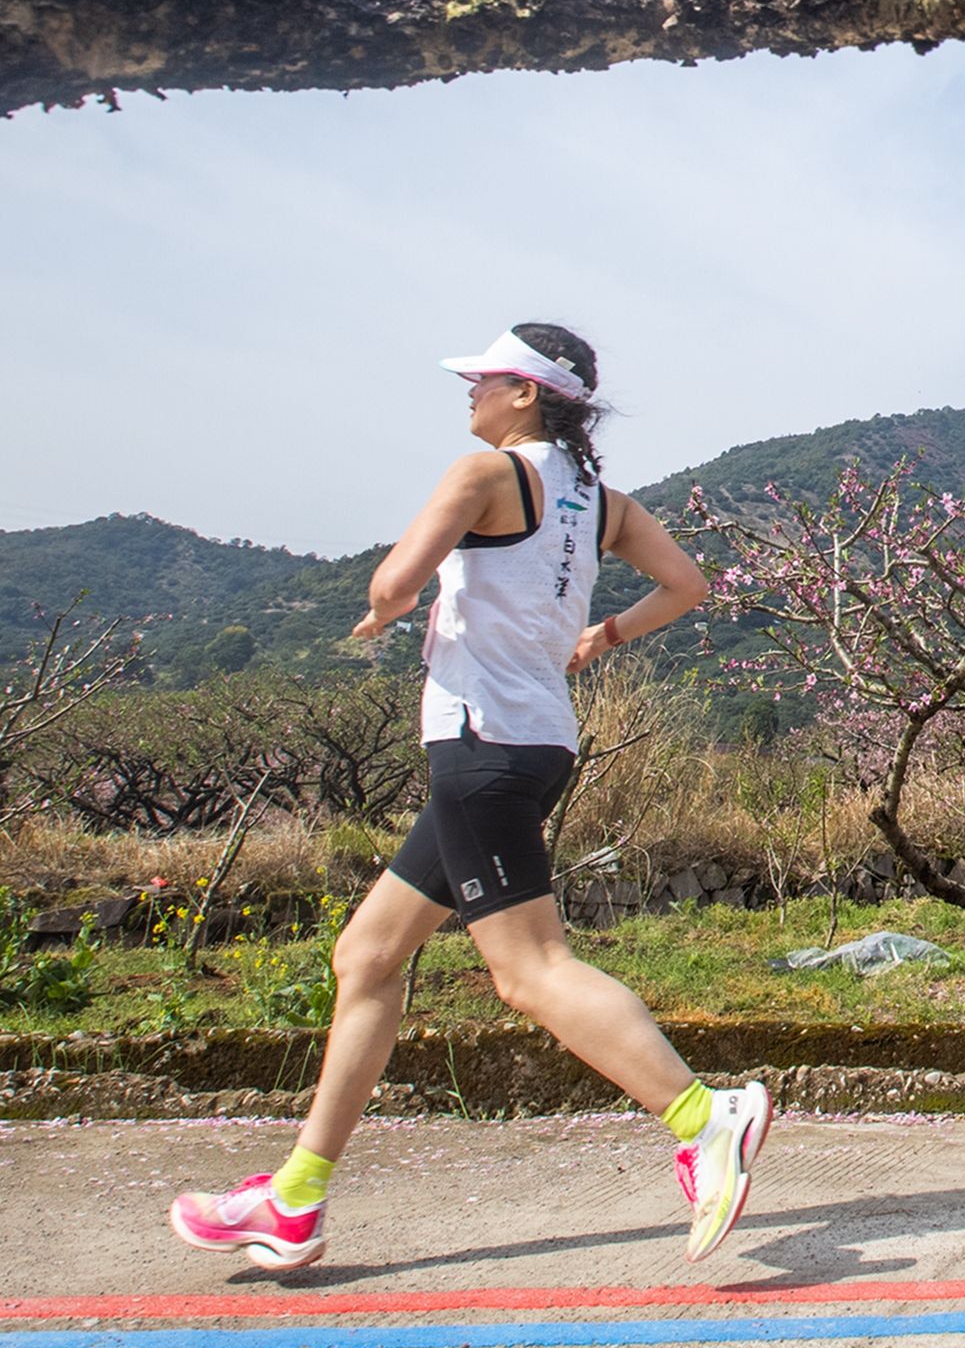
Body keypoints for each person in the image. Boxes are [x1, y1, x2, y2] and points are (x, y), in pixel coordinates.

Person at [168, 324, 768, 1271]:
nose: (472, 393)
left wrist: (390, 602)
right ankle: (294, 1198)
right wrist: (602, 634)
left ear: (526, 393)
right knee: (367, 954)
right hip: (535, 744)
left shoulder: (483, 476)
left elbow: (393, 578)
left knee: (527, 969)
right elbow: (687, 584)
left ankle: (704, 1116)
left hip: (479, 744)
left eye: (484, 379)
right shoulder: (602, 504)